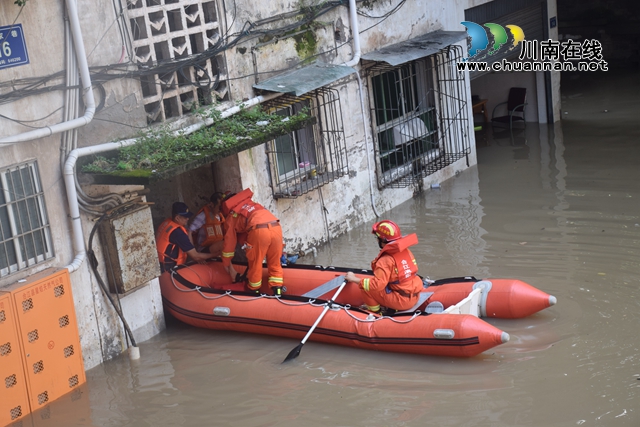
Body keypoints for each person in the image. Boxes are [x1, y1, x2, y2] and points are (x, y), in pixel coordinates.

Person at [344, 220, 423, 313]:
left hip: (402, 301)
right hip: (415, 296)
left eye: (377, 237)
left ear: (383, 240)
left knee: (366, 288)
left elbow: (376, 285)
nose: (377, 240)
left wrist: (353, 279)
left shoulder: (385, 260)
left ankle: (376, 313)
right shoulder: (406, 251)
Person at [220, 188, 284, 295]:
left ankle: (254, 291)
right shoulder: (254, 205)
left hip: (259, 230)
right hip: (276, 227)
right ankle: (277, 291)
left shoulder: (232, 215)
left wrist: (226, 263)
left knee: (255, 263)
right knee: (275, 263)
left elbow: (229, 243)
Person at [156, 201, 211, 272]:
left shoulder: (168, 222)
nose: (188, 219)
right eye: (185, 217)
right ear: (177, 218)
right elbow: (195, 256)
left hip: (159, 264)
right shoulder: (178, 233)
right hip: (169, 269)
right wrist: (215, 254)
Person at [188, 192, 227, 256]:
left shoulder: (220, 216)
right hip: (204, 249)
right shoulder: (203, 216)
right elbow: (190, 231)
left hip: (215, 248)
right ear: (212, 204)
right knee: (224, 244)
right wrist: (194, 253)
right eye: (219, 207)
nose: (221, 210)